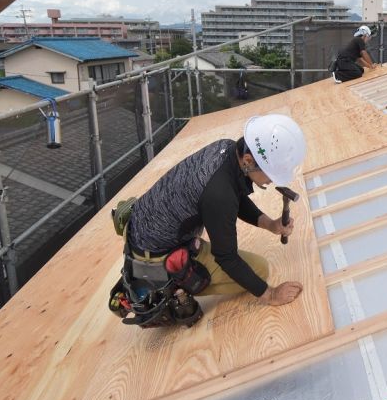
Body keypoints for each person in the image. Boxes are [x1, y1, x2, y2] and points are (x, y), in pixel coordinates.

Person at [111, 114, 307, 328]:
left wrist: (270, 225)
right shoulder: (219, 193)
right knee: (260, 269)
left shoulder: (228, 149)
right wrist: (270, 295)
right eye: (271, 174)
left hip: (144, 229)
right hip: (155, 254)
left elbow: (235, 196)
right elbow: (226, 257)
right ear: (249, 161)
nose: (271, 181)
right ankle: (168, 282)